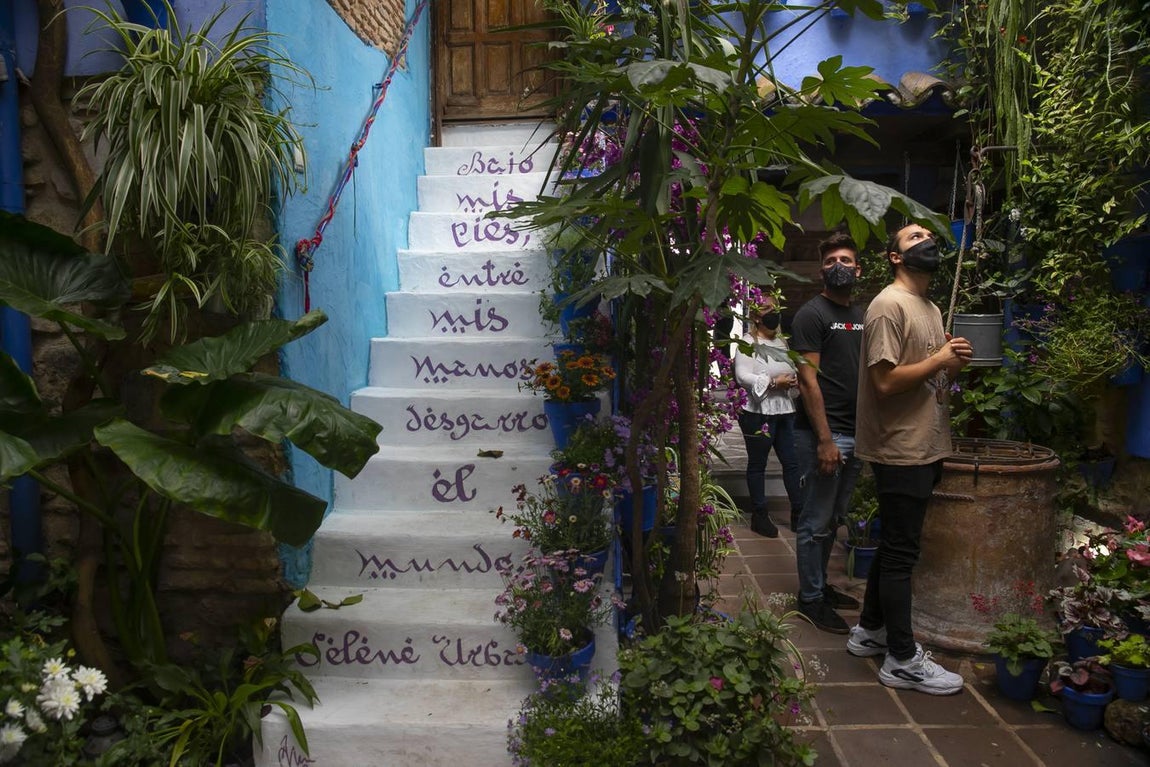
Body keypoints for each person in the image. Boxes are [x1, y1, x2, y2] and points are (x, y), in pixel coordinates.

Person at [847, 223, 973, 695]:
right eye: (914, 238)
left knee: (894, 544)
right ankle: (901, 658)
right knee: (903, 553)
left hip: (925, 442)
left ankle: (870, 629)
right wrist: (939, 360)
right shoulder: (887, 305)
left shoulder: (930, 306)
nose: (927, 242)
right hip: (900, 448)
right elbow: (885, 383)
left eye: (929, 236)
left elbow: (926, 371)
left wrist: (951, 357)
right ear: (895, 257)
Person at [790, 232, 866, 634]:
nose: (840, 266)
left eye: (846, 260)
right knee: (815, 521)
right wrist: (825, 439)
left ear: (858, 269)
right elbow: (807, 382)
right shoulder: (811, 314)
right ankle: (811, 599)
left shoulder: (863, 314)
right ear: (823, 269)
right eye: (832, 260)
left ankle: (820, 587)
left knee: (834, 518)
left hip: (856, 433)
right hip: (824, 434)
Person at [733, 295, 802, 538]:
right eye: (766, 309)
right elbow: (742, 376)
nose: (772, 313)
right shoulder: (748, 342)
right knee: (758, 463)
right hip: (758, 412)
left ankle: (798, 512)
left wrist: (793, 381)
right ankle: (759, 515)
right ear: (754, 315)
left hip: (784, 410)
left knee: (792, 462)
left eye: (775, 308)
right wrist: (773, 382)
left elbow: (792, 371)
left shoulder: (783, 342)